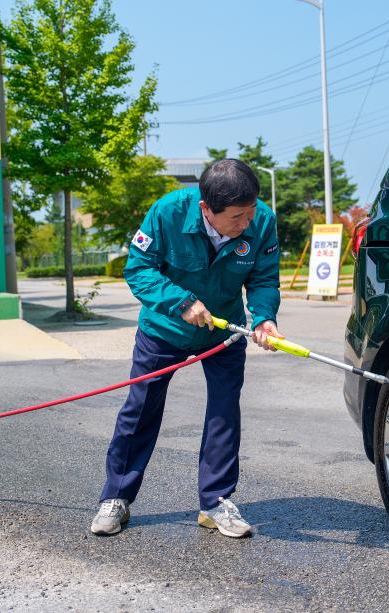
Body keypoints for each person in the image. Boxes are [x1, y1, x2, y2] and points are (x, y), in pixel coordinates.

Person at [90, 159, 282, 538]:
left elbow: (263, 276)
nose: (246, 224)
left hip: (224, 331)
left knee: (224, 412)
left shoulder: (261, 219)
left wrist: (263, 317)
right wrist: (180, 302)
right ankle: (116, 497)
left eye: (251, 213)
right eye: (237, 217)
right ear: (206, 209)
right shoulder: (167, 212)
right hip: (165, 328)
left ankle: (215, 502)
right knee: (141, 408)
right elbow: (139, 269)